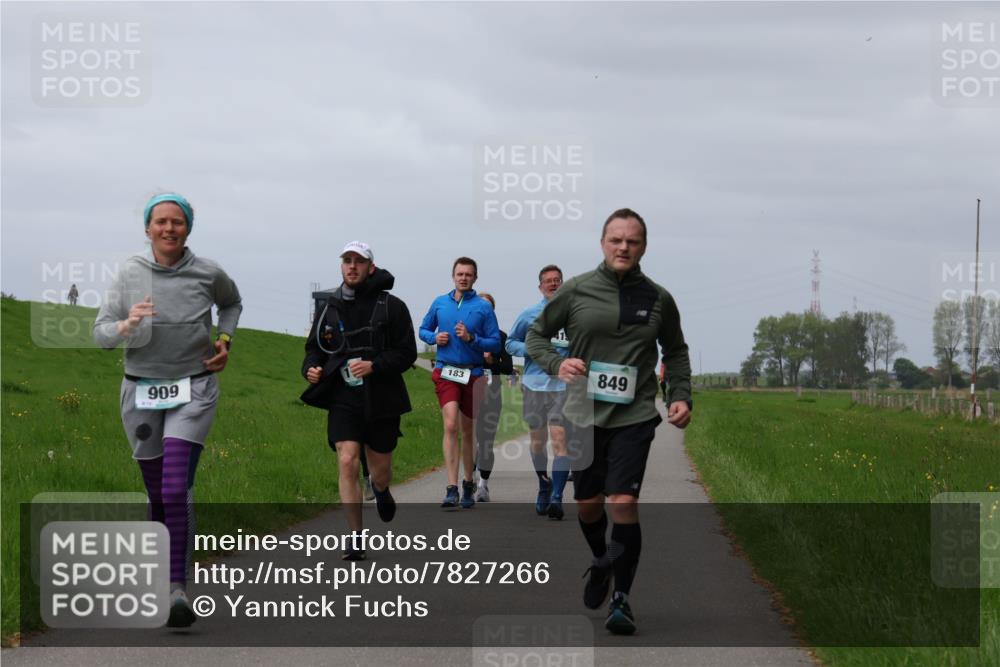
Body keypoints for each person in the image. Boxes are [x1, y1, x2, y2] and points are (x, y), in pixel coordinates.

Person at [525, 208, 692, 636]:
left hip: (634, 415)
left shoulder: (658, 298)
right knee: (588, 504)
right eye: (616, 240)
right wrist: (558, 364)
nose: (623, 247)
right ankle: (602, 559)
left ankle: (622, 599)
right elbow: (535, 336)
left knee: (623, 502)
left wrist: (680, 396)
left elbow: (675, 351)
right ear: (602, 243)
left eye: (632, 241)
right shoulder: (577, 290)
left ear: (644, 247)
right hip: (582, 413)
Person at [93, 193, 242, 628]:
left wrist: (224, 340)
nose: (169, 228)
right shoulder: (129, 273)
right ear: (147, 228)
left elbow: (231, 303)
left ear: (188, 228)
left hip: (194, 386)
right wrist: (126, 325)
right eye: (160, 221)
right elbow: (101, 335)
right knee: (157, 493)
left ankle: (177, 589)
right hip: (140, 390)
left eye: (177, 222)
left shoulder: (208, 272)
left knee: (176, 488)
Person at [301, 241, 417, 560]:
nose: (352, 266)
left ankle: (379, 488)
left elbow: (407, 352)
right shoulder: (329, 307)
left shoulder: (392, 306)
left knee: (380, 470)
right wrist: (311, 368)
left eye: (359, 261)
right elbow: (314, 348)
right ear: (342, 266)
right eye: (347, 260)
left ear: (371, 267)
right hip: (343, 396)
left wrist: (374, 365)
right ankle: (355, 537)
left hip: (382, 397)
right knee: (347, 459)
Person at [418, 257, 501, 509]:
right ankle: (451, 487)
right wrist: (434, 338)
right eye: (460, 274)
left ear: (475, 278)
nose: (463, 278)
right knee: (451, 424)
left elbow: (495, 342)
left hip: (472, 374)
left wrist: (472, 338)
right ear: (453, 276)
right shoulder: (439, 302)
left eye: (468, 274)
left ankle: (468, 483)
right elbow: (423, 329)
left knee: (467, 431)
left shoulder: (483, 307)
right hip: (446, 371)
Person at [506, 265, 571, 519]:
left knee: (559, 438)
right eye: (548, 281)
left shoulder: (573, 314)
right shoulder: (529, 314)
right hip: (534, 385)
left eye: (557, 280)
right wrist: (532, 349)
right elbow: (510, 343)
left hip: (562, 386)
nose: (553, 284)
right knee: (538, 442)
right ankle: (544, 485)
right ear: (540, 286)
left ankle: (557, 497)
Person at [472, 292, 513, 502]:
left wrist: (491, 362)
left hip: (492, 395)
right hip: (469, 394)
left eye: (488, 307)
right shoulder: (466, 334)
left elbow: (508, 367)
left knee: (486, 441)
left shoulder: (501, 337)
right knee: (470, 440)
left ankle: (483, 485)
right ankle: (468, 480)